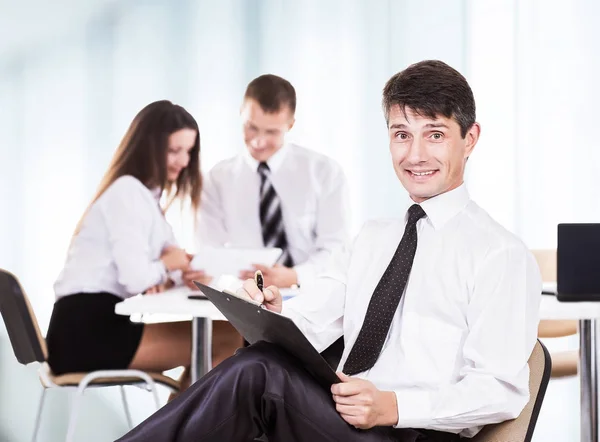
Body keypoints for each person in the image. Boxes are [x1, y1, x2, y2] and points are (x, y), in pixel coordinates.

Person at [116, 61, 541, 442]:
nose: (415, 155)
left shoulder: (499, 253)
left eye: (435, 135)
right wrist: (273, 312)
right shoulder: (374, 237)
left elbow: (499, 390)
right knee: (261, 357)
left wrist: (394, 406)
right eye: (401, 135)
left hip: (416, 431)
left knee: (259, 375)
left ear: (470, 139)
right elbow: (309, 325)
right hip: (346, 418)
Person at [45, 100, 238, 394]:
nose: (184, 161)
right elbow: (136, 277)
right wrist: (168, 266)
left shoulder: (146, 197)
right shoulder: (128, 193)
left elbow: (168, 259)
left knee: (217, 339)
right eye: (174, 151)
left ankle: (180, 431)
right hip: (85, 332)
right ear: (149, 147)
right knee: (227, 338)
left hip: (88, 327)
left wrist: (174, 273)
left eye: (188, 151)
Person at [184, 74, 351, 290]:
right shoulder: (217, 179)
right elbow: (210, 250)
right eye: (251, 127)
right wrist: (203, 275)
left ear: (290, 125)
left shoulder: (324, 172)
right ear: (240, 114)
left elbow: (337, 249)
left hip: (312, 295)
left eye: (271, 131)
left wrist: (294, 276)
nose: (258, 141)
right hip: (246, 300)